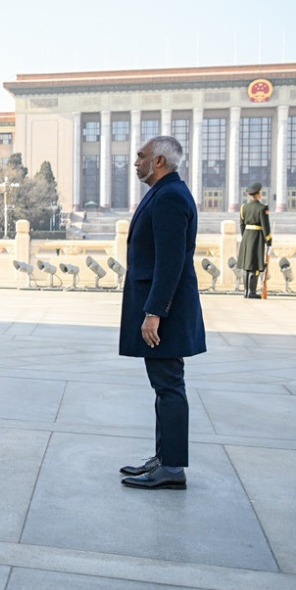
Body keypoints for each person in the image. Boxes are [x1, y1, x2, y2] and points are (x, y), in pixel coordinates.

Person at [118, 136, 206, 490]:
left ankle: (172, 467)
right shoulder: (165, 192)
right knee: (164, 386)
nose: (136, 162)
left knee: (169, 386)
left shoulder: (169, 196)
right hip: (163, 307)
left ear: (158, 161)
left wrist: (154, 311)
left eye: (141, 156)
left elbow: (171, 261)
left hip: (165, 312)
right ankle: (164, 457)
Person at [237, 182, 271, 299]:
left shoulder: (244, 208)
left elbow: (241, 225)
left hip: (246, 236)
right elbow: (265, 226)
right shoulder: (262, 208)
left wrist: (245, 237)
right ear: (258, 194)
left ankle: (246, 291)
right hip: (257, 237)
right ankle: (251, 292)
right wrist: (269, 241)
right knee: (254, 265)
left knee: (246, 266)